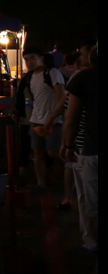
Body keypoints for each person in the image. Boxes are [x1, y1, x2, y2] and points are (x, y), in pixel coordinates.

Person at [61, 42, 98, 253]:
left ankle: (92, 244)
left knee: (91, 203)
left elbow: (71, 118)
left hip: (91, 149)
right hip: (89, 147)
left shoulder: (84, 79)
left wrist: (68, 144)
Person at [23, 48, 67, 189]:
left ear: (41, 58)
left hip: (53, 119)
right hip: (36, 118)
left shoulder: (52, 73)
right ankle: (41, 183)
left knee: (54, 152)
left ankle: (73, 170)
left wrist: (53, 115)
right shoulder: (31, 76)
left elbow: (62, 94)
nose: (29, 62)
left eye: (32, 58)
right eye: (26, 59)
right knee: (38, 151)